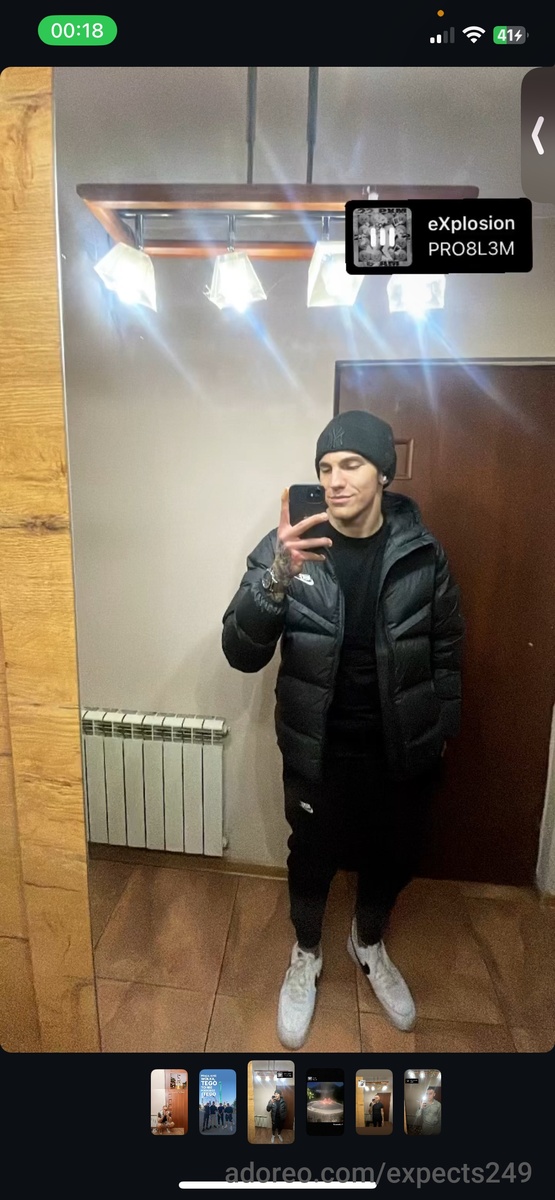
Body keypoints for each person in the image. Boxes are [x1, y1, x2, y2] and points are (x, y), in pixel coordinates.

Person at [222, 410, 464, 1049]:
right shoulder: (290, 547)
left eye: (351, 464)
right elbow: (240, 651)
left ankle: (369, 942)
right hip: (319, 747)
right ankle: (306, 953)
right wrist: (277, 575)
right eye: (324, 467)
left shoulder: (423, 554)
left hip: (401, 745)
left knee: (395, 853)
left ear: (384, 472)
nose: (334, 480)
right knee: (311, 856)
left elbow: (446, 646)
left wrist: (441, 727)